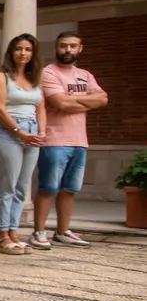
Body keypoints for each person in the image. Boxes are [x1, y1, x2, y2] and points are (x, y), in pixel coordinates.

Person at [31, 32, 108, 249]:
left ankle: (63, 231)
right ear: (56, 48)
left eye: (73, 46)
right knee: (48, 187)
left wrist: (71, 99)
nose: (68, 50)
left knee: (70, 189)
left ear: (80, 48)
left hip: (80, 140)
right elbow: (59, 103)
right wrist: (86, 101)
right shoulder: (48, 73)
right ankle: (38, 232)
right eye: (63, 46)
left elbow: (103, 99)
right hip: (55, 139)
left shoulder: (85, 74)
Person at [0, 33, 45, 254]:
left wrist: (41, 131)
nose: (23, 53)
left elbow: (40, 108)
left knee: (23, 186)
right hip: (8, 132)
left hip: (32, 133)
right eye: (19, 49)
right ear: (11, 52)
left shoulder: (34, 80)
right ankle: (2, 235)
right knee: (7, 185)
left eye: (28, 49)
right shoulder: (1, 77)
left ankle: (14, 231)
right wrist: (19, 132)